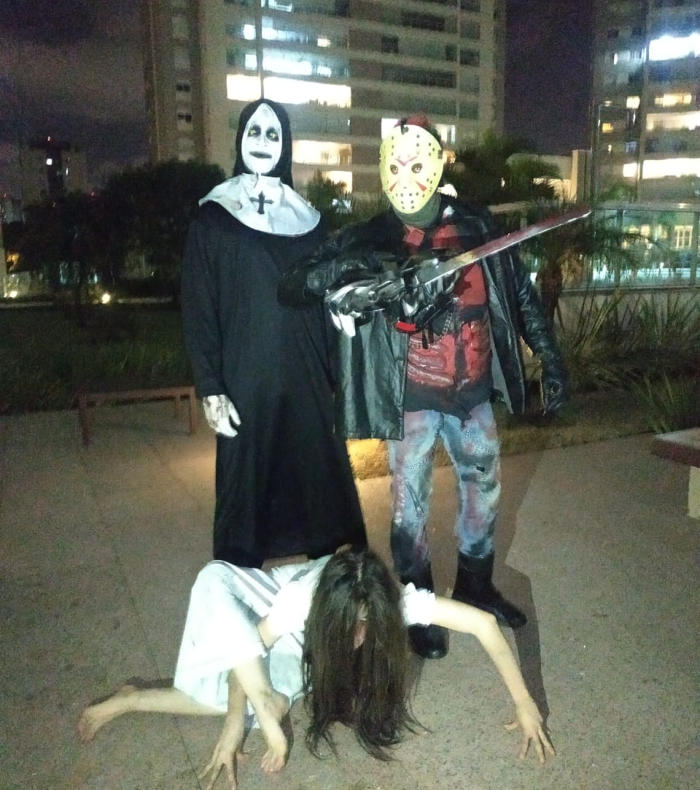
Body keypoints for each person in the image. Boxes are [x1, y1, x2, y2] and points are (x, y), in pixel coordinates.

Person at [278, 115, 568, 659]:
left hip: (473, 393)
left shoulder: (477, 225)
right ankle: (418, 607)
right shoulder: (371, 235)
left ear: (438, 164)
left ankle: (476, 588)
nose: (405, 175)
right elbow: (294, 285)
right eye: (395, 163)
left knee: (483, 493)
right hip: (410, 397)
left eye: (417, 163)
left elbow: (520, 295)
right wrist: (362, 266)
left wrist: (549, 359)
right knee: (408, 508)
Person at [78, 547, 555, 789]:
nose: (360, 637)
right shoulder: (298, 603)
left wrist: (524, 702)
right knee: (229, 677)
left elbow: (483, 625)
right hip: (259, 609)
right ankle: (150, 700)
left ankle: (139, 699)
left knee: (255, 696)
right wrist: (234, 725)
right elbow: (244, 650)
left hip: (301, 643)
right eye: (351, 627)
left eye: (367, 625)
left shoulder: (394, 603)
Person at [181, 98, 366, 567]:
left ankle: (325, 594)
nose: (263, 141)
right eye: (254, 131)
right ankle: (241, 589)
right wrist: (211, 387)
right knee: (245, 498)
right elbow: (199, 305)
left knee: (318, 492)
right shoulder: (214, 217)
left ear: (285, 145)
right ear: (240, 139)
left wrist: (343, 328)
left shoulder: (309, 221)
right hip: (247, 381)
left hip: (307, 379)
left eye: (273, 133)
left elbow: (325, 297)